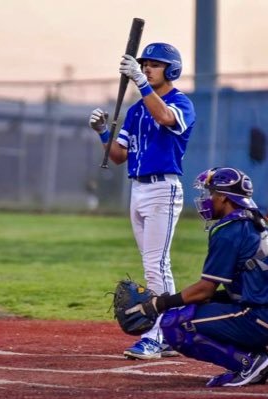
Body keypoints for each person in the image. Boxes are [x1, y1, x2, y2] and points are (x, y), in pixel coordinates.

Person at [88, 43, 196, 359]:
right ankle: (169, 331)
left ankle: (157, 333)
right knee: (156, 265)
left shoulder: (180, 103)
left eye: (155, 64)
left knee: (155, 265)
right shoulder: (136, 110)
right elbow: (119, 156)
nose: (147, 68)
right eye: (144, 64)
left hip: (164, 188)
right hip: (138, 189)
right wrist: (103, 133)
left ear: (172, 70)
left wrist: (141, 83)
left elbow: (164, 117)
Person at [130, 167, 268, 387]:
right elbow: (244, 287)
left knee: (175, 323)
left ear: (224, 197)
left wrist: (160, 303)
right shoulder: (257, 220)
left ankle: (248, 362)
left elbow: (205, 289)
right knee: (204, 305)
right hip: (262, 312)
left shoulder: (230, 229)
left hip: (259, 317)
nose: (207, 199)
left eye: (212, 193)